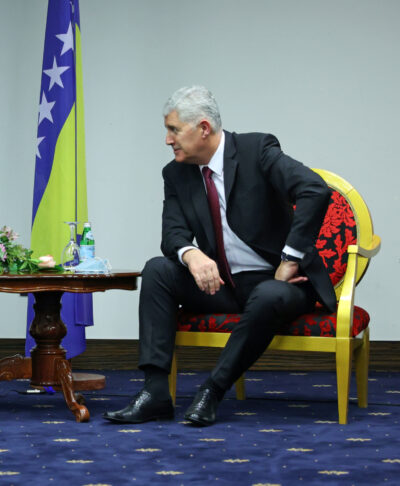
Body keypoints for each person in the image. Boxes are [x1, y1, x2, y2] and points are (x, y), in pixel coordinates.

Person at [103, 86, 335, 426]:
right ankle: (154, 393)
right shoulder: (176, 173)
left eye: (173, 130)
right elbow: (173, 234)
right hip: (223, 285)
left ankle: (212, 390)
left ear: (204, 128)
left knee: (269, 294)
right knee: (157, 270)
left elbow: (314, 189)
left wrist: (289, 258)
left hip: (280, 283)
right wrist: (191, 254)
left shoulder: (257, 150)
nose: (168, 140)